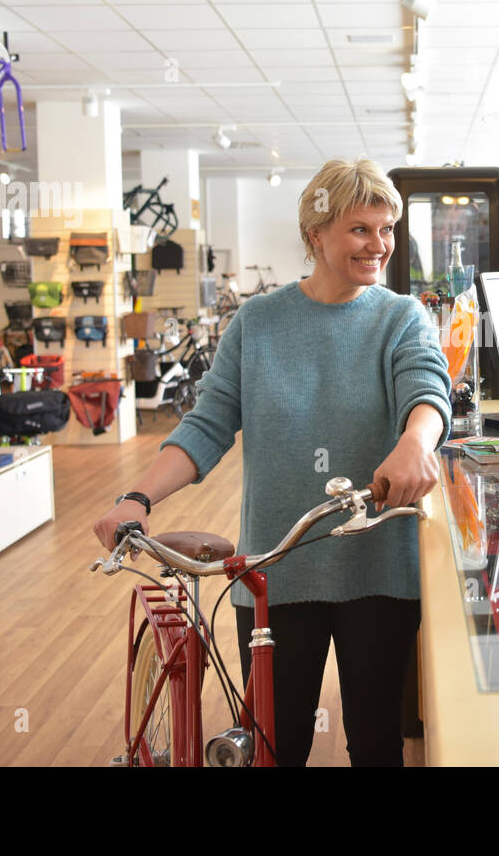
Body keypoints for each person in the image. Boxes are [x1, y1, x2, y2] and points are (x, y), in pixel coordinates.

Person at [92, 157, 452, 766]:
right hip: (275, 570)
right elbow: (207, 425)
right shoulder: (258, 322)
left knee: (375, 743)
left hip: (377, 567)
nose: (379, 244)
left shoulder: (400, 317)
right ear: (317, 235)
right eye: (362, 229)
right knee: (275, 747)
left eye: (387, 229)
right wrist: (139, 496)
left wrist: (417, 442)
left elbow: (427, 391)